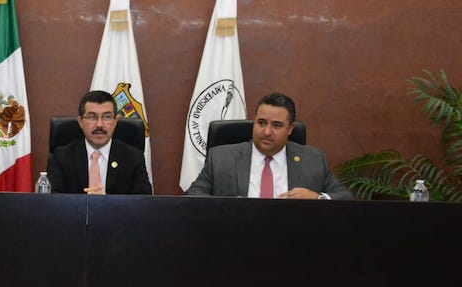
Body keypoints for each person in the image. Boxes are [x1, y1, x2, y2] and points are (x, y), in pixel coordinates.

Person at [185, 92, 353, 200]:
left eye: (276, 125)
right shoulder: (221, 158)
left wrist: (317, 198)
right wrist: (228, 207)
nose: (266, 131)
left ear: (290, 129)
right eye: (261, 123)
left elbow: (346, 197)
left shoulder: (313, 160)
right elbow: (192, 196)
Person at [46, 90, 153, 195]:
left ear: (115, 121)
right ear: (80, 122)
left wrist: (106, 202)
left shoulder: (133, 157)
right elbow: (52, 200)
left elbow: (143, 201)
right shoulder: (62, 157)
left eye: (107, 117)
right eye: (92, 117)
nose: (99, 125)